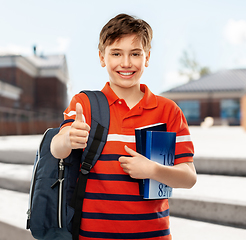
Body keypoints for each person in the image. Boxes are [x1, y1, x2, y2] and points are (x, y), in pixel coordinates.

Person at [50, 13, 196, 240]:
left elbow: (189, 177)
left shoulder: (168, 111)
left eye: (135, 54)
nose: (126, 63)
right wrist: (68, 138)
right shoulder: (84, 104)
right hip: (93, 236)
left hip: (153, 235)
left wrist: (152, 170)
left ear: (146, 57)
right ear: (102, 57)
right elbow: (57, 149)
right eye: (116, 53)